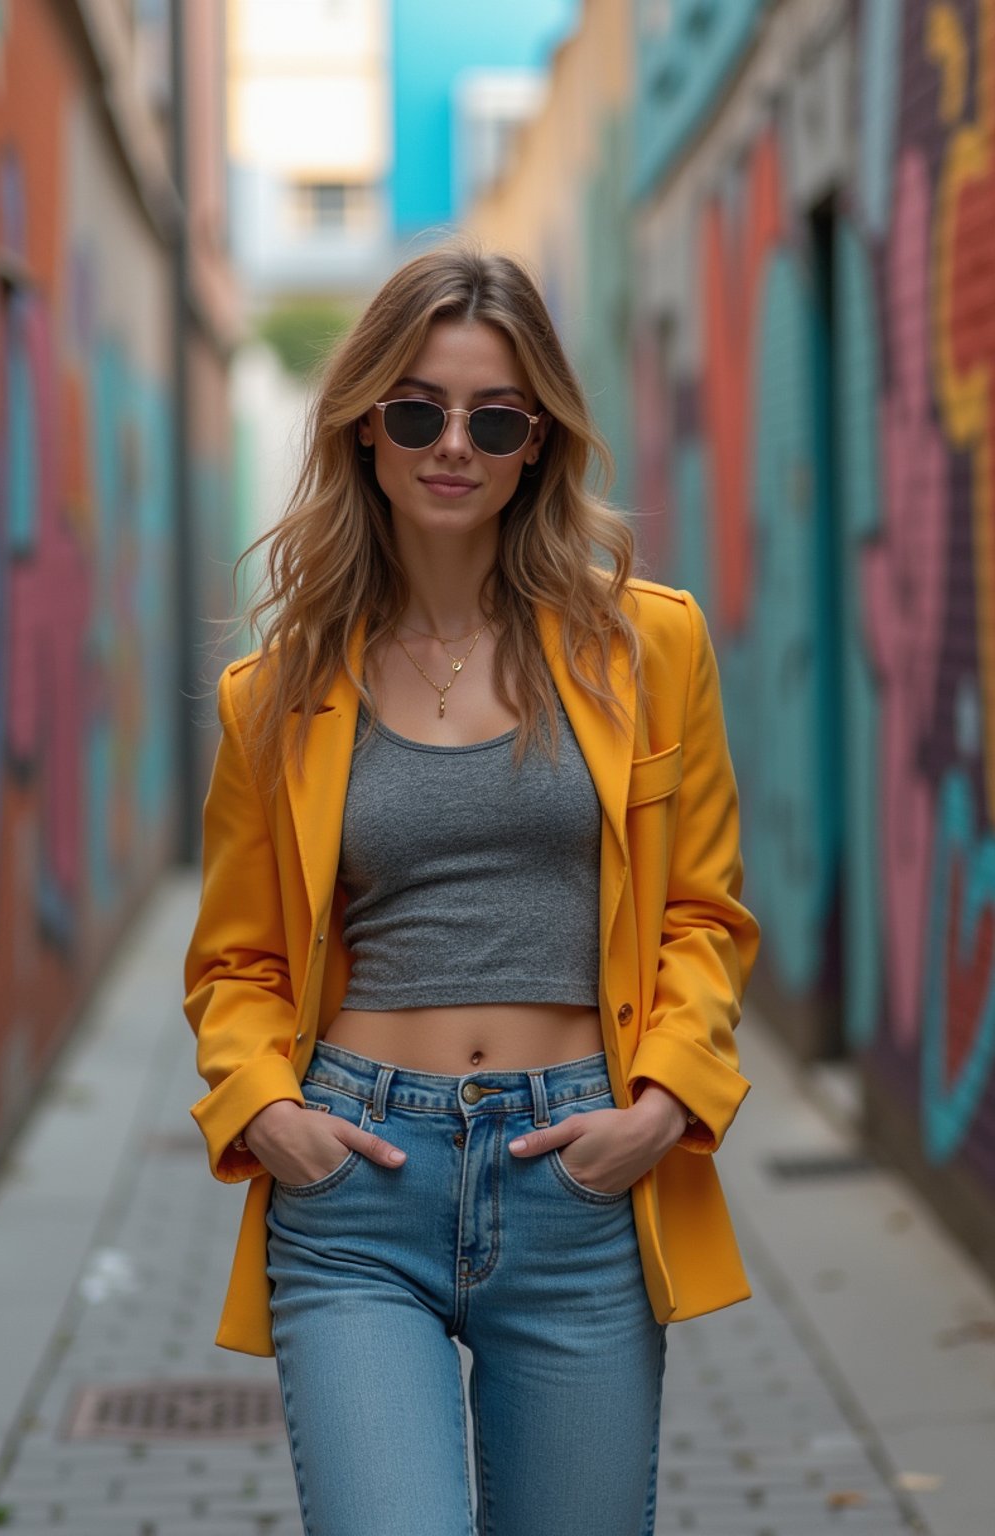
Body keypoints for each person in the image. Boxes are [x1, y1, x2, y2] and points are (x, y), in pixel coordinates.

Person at [183, 239, 760, 1536]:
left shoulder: (646, 647)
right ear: (366, 433)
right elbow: (236, 964)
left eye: (496, 417)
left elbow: (703, 919)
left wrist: (661, 1108)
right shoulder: (273, 697)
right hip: (356, 1185)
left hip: (579, 1176)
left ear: (538, 443)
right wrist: (269, 1111)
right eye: (417, 410)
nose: (455, 443)